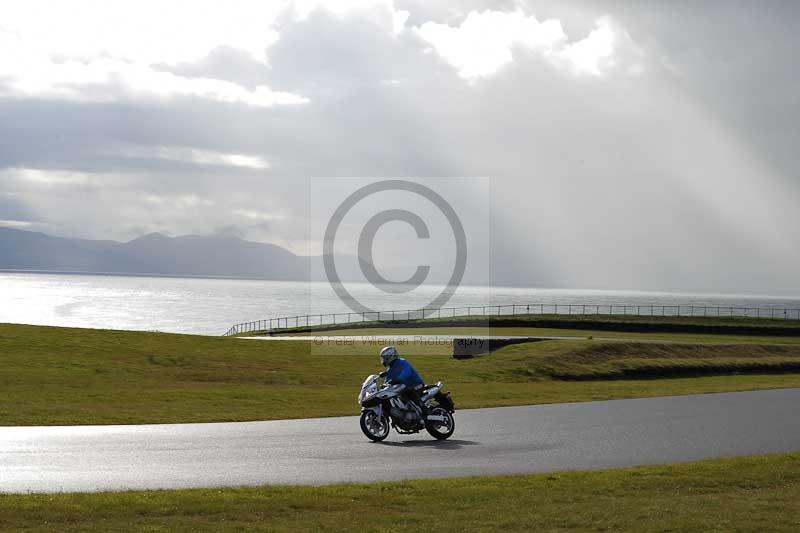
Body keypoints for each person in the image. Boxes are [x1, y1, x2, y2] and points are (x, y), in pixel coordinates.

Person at [379, 346, 427, 416]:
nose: (384, 360)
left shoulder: (402, 362)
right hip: (403, 387)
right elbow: (387, 381)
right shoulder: (390, 369)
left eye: (385, 358)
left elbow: (406, 373)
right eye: (383, 358)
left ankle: (423, 408)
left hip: (415, 384)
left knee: (409, 391)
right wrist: (383, 387)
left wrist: (398, 379)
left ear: (391, 356)